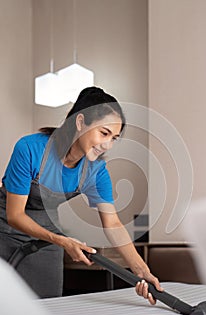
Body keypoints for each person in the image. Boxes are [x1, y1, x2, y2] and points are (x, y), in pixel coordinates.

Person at [0, 86, 162, 300]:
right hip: (5, 227)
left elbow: (112, 224)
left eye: (114, 138)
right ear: (80, 122)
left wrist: (142, 271)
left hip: (48, 232)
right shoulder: (30, 149)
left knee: (49, 304)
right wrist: (62, 240)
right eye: (104, 133)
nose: (108, 145)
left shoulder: (96, 171)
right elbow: (15, 215)